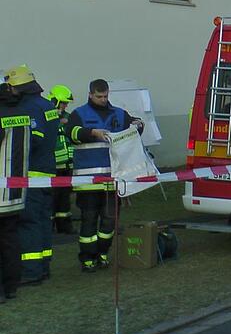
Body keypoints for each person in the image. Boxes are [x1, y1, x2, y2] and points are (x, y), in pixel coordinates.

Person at [65, 79, 143, 272]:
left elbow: (135, 127)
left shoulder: (118, 113)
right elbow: (71, 133)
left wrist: (139, 125)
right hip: (88, 181)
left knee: (109, 220)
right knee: (89, 220)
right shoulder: (79, 114)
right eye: (99, 96)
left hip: (112, 179)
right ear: (90, 94)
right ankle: (87, 258)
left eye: (105, 96)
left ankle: (102, 253)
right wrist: (92, 132)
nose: (102, 99)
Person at [4, 65, 59, 285]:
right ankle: (44, 266)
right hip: (48, 173)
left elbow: (32, 139)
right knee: (44, 220)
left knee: (29, 222)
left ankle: (31, 270)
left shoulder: (28, 108)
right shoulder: (47, 105)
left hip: (31, 173)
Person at [0, 83, 30, 303]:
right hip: (16, 190)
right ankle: (11, 287)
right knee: (10, 239)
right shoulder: (22, 114)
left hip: (0, 190)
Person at [48, 85, 76, 234]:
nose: (65, 106)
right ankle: (49, 227)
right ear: (55, 101)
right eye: (63, 103)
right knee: (52, 198)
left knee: (65, 197)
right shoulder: (47, 116)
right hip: (53, 166)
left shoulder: (68, 116)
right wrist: (58, 122)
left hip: (67, 164)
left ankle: (65, 226)